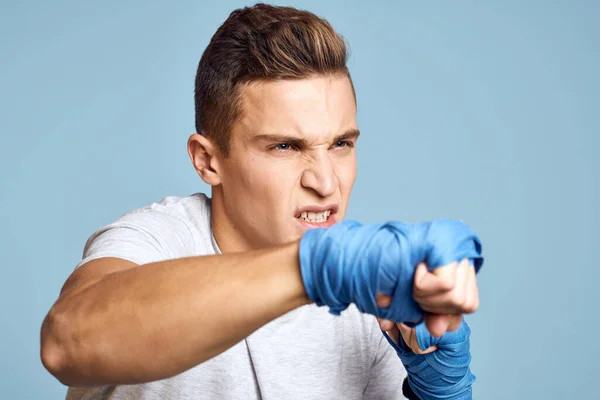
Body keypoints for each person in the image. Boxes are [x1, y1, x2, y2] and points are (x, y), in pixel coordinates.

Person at [40, 4, 482, 399]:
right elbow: (67, 343)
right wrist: (315, 267)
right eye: (285, 147)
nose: (326, 182)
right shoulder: (157, 241)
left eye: (342, 144)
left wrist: (439, 394)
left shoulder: (366, 301)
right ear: (208, 161)